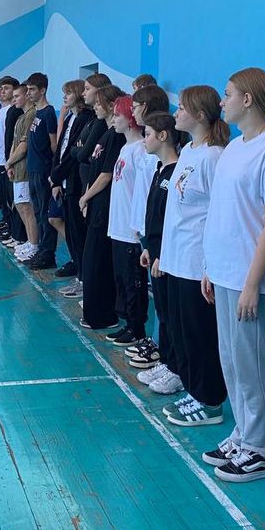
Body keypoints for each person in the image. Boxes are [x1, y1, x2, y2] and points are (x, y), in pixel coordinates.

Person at [200, 68, 265, 484]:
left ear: (248, 100)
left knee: (254, 363)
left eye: (228, 94)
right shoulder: (235, 146)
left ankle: (263, 447)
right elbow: (223, 212)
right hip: (225, 272)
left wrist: (253, 283)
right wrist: (209, 266)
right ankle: (244, 433)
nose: (223, 102)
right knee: (233, 361)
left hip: (252, 278)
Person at [158, 85, 228, 427]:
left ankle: (210, 401)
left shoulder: (215, 157)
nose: (176, 114)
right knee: (182, 333)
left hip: (195, 262)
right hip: (175, 258)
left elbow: (219, 213)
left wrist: (209, 265)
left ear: (199, 115)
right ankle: (194, 390)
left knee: (200, 335)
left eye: (182, 109)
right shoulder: (187, 150)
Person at [134, 112, 182, 391]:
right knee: (162, 312)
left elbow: (172, 220)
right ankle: (166, 361)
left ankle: (176, 369)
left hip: (166, 257)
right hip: (154, 253)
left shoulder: (176, 172)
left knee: (171, 315)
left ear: (163, 136)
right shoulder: (159, 170)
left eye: (148, 134)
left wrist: (162, 253)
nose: (144, 140)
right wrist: (149, 249)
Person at [78, 84, 125, 328]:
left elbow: (106, 175)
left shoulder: (116, 137)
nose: (95, 107)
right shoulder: (105, 134)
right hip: (94, 204)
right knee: (91, 260)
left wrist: (86, 197)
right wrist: (87, 195)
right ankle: (94, 310)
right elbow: (94, 169)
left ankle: (103, 314)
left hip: (104, 206)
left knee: (98, 262)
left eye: (99, 103)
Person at [104, 95, 149, 347]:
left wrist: (138, 229)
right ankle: (129, 323)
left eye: (117, 115)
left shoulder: (141, 150)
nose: (113, 119)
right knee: (122, 279)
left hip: (131, 231)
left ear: (130, 119)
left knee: (134, 283)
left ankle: (137, 328)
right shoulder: (125, 148)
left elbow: (142, 193)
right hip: (118, 227)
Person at [65, 73, 112, 297]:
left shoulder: (103, 127)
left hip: (92, 192)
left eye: (87, 89)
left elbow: (84, 153)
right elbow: (75, 149)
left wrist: (79, 150)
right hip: (85, 185)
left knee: (91, 243)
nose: (84, 94)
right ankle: (83, 279)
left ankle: (90, 286)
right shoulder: (93, 120)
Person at [50, 79, 94, 287]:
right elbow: (61, 149)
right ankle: (78, 270)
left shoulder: (85, 119)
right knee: (71, 232)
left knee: (79, 233)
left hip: (76, 182)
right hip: (65, 182)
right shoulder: (69, 118)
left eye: (68, 93)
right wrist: (56, 179)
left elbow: (73, 155)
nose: (64, 97)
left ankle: (84, 277)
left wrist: (57, 175)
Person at [24, 72, 59, 269]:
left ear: (43, 90)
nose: (28, 93)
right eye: (27, 89)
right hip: (33, 168)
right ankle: (41, 249)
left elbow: (54, 145)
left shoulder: (48, 113)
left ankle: (48, 253)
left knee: (45, 213)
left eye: (32, 89)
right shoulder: (36, 113)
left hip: (43, 170)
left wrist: (53, 171)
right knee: (38, 212)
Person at [6, 85, 39, 259]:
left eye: (17, 96)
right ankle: (29, 240)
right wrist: (10, 164)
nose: (14, 100)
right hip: (16, 168)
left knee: (27, 207)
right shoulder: (20, 117)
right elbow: (15, 142)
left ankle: (34, 245)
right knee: (20, 205)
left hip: (25, 169)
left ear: (26, 95)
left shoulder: (32, 115)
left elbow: (24, 146)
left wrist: (10, 162)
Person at [0, 77, 21, 237]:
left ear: (14, 90)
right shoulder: (0, 110)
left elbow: (12, 139)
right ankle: (6, 221)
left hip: (7, 161)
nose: (1, 91)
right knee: (2, 196)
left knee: (11, 197)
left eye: (6, 88)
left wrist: (10, 160)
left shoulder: (13, 110)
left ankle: (14, 229)